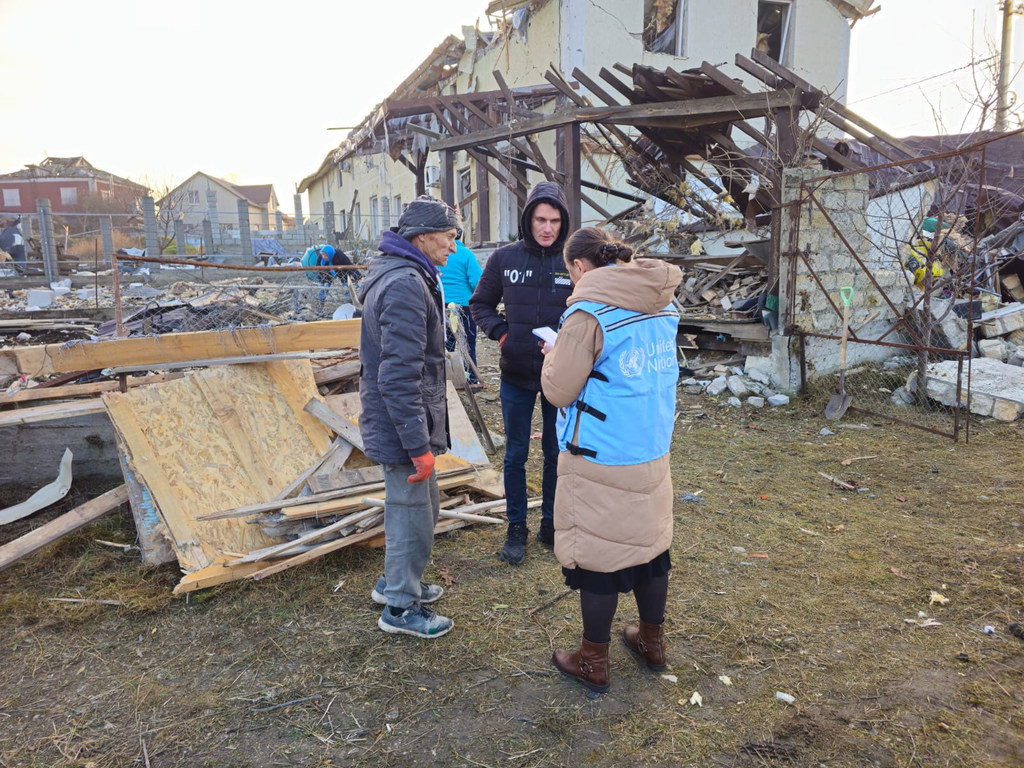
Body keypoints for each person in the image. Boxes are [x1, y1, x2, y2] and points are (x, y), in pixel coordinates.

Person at [539, 227, 681, 693]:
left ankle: (592, 660)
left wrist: (553, 353)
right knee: (650, 546)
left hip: (600, 452)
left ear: (580, 268)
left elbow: (559, 389)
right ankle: (652, 641)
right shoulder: (663, 303)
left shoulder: (588, 315)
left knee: (598, 557)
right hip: (651, 443)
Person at [357, 196, 460, 639]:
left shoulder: (410, 274)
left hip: (405, 421)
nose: (454, 248)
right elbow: (398, 376)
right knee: (410, 513)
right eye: (450, 237)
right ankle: (399, 608)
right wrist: (418, 446)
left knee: (421, 508)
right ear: (422, 236)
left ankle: (395, 583)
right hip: (402, 425)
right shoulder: (404, 284)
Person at [470, 181, 573, 565]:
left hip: (558, 376)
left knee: (554, 452)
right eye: (540, 220)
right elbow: (479, 304)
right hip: (515, 374)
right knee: (514, 454)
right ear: (528, 219)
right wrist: (502, 335)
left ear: (564, 223)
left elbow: (591, 312)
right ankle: (516, 527)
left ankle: (550, 522)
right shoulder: (504, 259)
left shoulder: (572, 262)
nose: (547, 228)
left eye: (555, 221)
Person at [438, 238, 483, 387]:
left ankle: (445, 379)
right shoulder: (466, 254)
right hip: (464, 307)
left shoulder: (436, 252)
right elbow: (477, 281)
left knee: (444, 345)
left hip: (440, 306)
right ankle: (471, 379)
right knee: (468, 345)